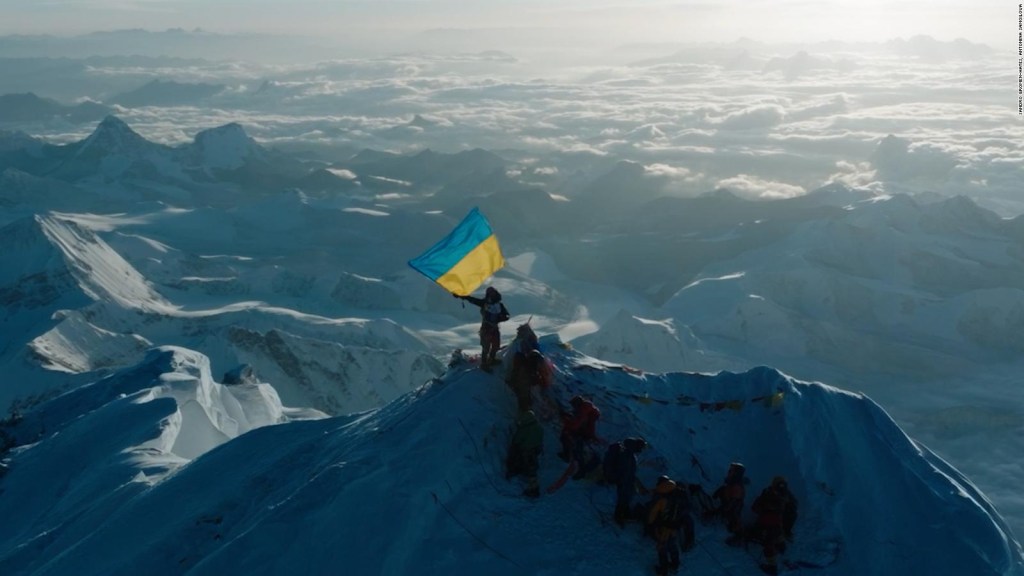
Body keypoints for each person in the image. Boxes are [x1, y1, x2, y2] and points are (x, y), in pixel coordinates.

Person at [750, 476, 799, 575]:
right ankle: (781, 546)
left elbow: (755, 507)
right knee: (777, 532)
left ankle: (772, 567)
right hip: (775, 522)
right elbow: (755, 507)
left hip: (769, 522)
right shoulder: (783, 494)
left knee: (768, 544)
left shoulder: (770, 492)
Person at [456, 286, 510, 370]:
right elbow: (472, 299)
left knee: (496, 345)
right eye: (490, 293)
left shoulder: (500, 305)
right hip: (486, 328)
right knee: (486, 347)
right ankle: (484, 364)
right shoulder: (484, 303)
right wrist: (460, 295)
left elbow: (507, 315)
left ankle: (492, 359)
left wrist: (502, 318)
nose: (491, 295)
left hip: (495, 328)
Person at [647, 475, 683, 575]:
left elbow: (653, 513)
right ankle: (675, 564)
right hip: (675, 526)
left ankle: (663, 570)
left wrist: (650, 524)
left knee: (661, 547)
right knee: (673, 545)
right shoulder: (677, 493)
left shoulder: (662, 499)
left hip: (664, 527)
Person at [506, 410, 544, 498]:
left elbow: (516, 441)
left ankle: (534, 490)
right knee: (532, 465)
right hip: (536, 449)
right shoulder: (539, 426)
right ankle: (532, 483)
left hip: (527, 451)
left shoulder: (525, 428)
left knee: (530, 468)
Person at [612, 436, 648, 526]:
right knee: (623, 498)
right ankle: (618, 516)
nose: (641, 450)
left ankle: (625, 514)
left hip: (627, 480)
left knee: (626, 497)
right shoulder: (628, 454)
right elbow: (625, 469)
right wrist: (624, 480)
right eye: (641, 447)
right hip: (624, 480)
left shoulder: (629, 453)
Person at [712, 462, 747, 544]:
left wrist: (717, 511)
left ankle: (739, 535)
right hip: (728, 500)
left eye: (731, 471)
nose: (729, 472)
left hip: (733, 506)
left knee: (734, 516)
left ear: (736, 473)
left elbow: (732, 504)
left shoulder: (737, 487)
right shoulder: (732, 482)